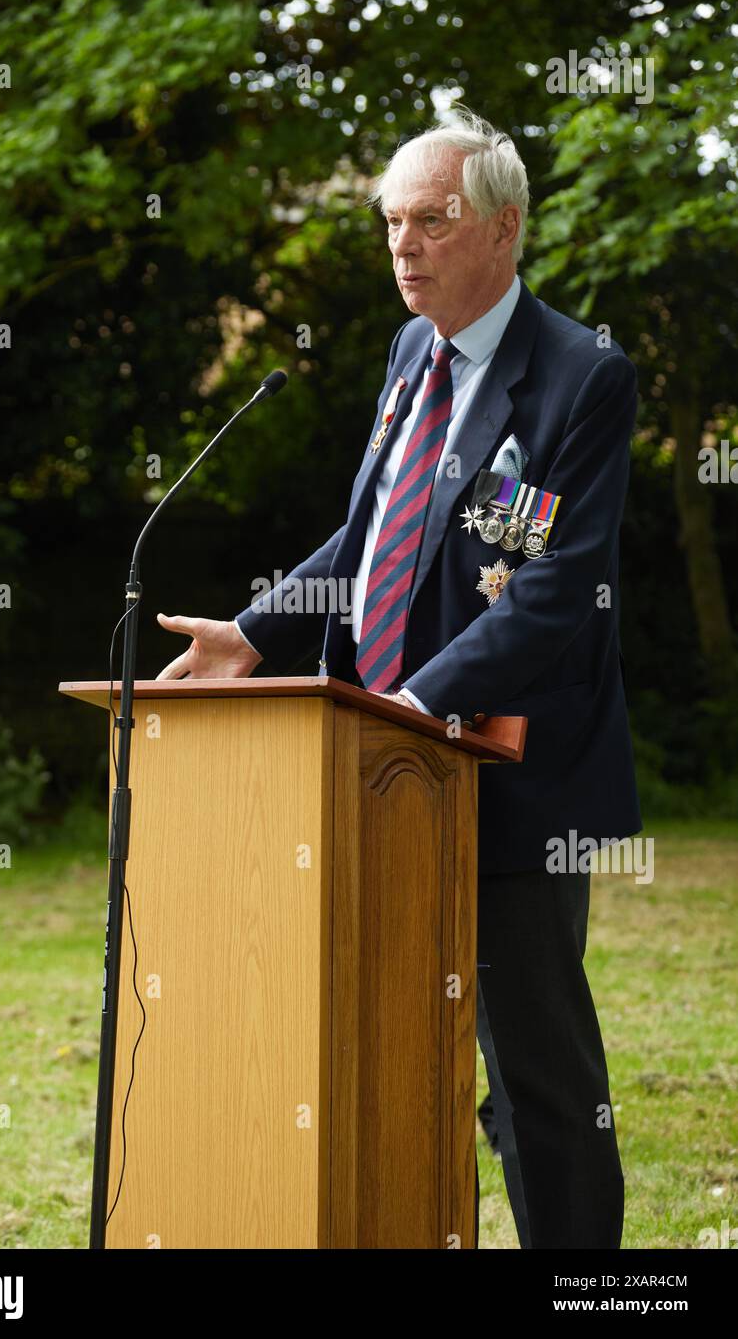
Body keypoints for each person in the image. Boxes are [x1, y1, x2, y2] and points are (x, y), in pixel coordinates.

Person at [156, 106, 640, 1249]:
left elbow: (552, 589)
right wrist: (255, 631)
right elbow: (376, 532)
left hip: (506, 780)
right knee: (377, 1047)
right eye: (390, 222)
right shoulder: (405, 356)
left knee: (536, 1076)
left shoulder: (580, 375)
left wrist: (412, 708)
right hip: (372, 771)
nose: (403, 244)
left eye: (432, 218)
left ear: (503, 228)